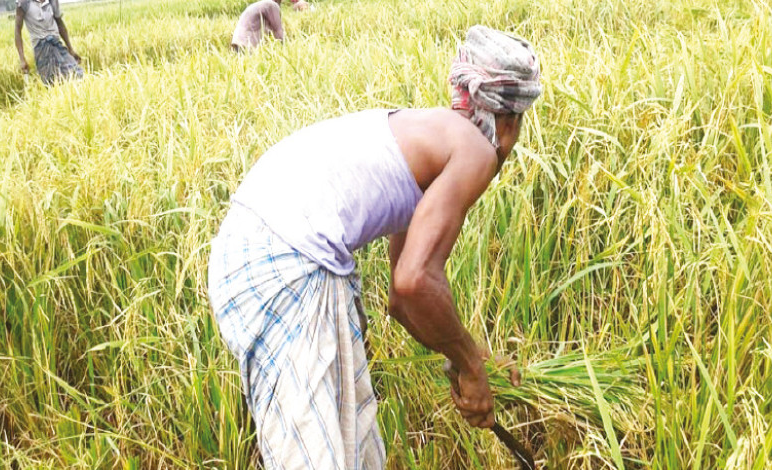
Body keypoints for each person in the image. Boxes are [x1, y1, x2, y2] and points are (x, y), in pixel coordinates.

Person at [208, 25, 542, 469]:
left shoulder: (423, 136)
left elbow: (403, 299)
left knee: (352, 448)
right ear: (510, 121)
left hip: (256, 248)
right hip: (287, 259)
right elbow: (412, 284)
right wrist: (472, 368)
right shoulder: (475, 150)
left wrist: (466, 356)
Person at [14, 0, 83, 85]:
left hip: (57, 44)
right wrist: (22, 59)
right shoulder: (24, 3)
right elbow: (17, 30)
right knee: (52, 82)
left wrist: (70, 49)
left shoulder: (52, 1)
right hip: (41, 48)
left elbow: (60, 23)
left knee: (77, 74)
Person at [231, 0, 309, 53]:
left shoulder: (261, 5)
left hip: (237, 42)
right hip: (246, 45)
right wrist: (289, 50)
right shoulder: (272, 6)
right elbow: (278, 32)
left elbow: (268, 31)